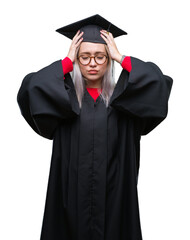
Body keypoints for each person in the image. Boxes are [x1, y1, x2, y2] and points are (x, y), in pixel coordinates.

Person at [17, 14, 173, 240]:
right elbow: (30, 89)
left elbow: (159, 85)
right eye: (85, 57)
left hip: (116, 202)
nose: (92, 63)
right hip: (69, 203)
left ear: (108, 60)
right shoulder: (65, 101)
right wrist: (66, 63)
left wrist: (121, 57)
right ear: (77, 60)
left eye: (100, 57)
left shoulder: (125, 102)